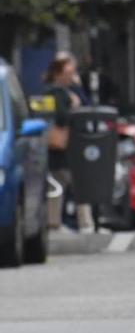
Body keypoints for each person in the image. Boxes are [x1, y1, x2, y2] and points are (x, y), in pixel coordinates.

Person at [30, 54, 87, 230]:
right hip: (60, 147)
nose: (72, 75)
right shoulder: (55, 93)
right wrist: (74, 104)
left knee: (62, 184)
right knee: (73, 184)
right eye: (69, 71)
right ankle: (79, 222)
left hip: (62, 148)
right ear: (58, 73)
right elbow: (62, 118)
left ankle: (56, 222)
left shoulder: (63, 91)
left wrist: (77, 91)